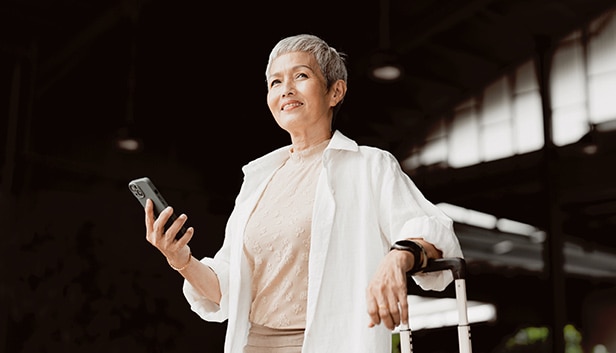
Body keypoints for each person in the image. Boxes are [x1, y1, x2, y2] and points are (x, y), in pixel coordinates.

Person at [144, 33, 463, 353]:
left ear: (335, 91)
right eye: (275, 82)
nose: (286, 90)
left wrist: (398, 256)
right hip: (255, 344)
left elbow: (431, 231)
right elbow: (226, 289)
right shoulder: (257, 180)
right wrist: (181, 261)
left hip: (332, 343)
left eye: (301, 75)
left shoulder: (369, 166)